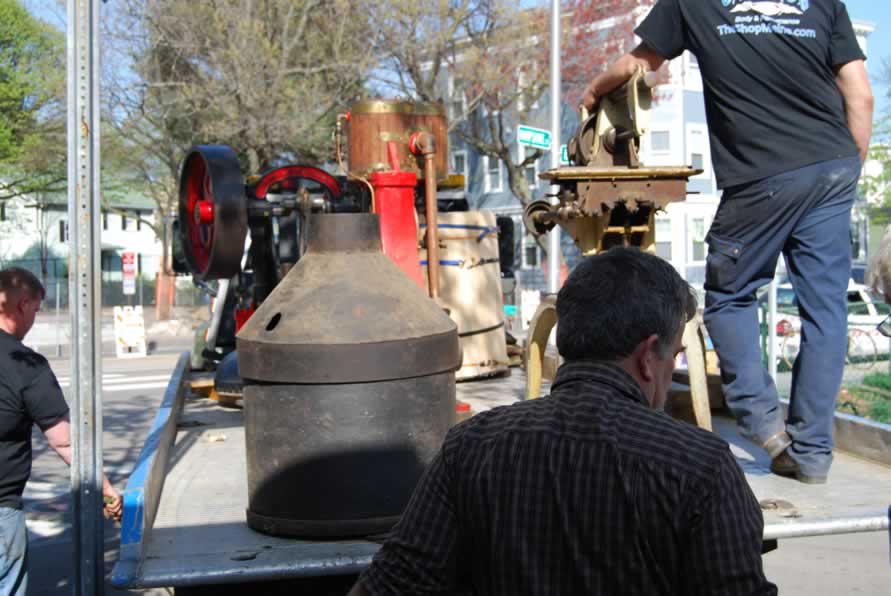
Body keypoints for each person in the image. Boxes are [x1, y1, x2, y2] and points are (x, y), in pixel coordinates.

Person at [349, 248, 776, 596]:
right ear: (649, 356)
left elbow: (394, 584)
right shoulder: (700, 466)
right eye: (675, 354)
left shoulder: (471, 446)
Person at [582, 0, 873, 484]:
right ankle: (815, 453)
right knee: (826, 311)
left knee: (730, 296)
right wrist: (846, 169)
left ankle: (764, 426)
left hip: (764, 174)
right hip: (834, 165)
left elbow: (641, 63)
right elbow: (859, 96)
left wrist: (592, 92)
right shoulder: (823, 2)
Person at [0, 267, 122, 595]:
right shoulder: (24, 365)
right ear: (22, 305)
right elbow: (65, 442)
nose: (34, 320)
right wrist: (108, 491)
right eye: (36, 310)